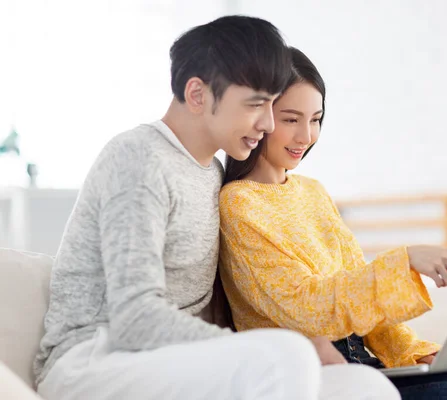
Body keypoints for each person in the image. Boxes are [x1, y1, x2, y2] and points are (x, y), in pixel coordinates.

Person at [34, 17, 399, 400]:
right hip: (95, 360)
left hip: (175, 361)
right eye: (257, 105)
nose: (269, 123)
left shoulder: (213, 174)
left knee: (365, 387)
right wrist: (258, 348)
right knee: (287, 354)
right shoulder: (138, 158)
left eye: (274, 106)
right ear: (197, 95)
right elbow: (134, 321)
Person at [218, 46, 447, 400]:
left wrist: (413, 353)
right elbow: (304, 307)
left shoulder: (312, 192)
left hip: (362, 362)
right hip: (317, 372)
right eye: (291, 119)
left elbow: (359, 289)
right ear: (259, 117)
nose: (306, 136)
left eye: (316, 119)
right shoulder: (239, 204)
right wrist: (406, 260)